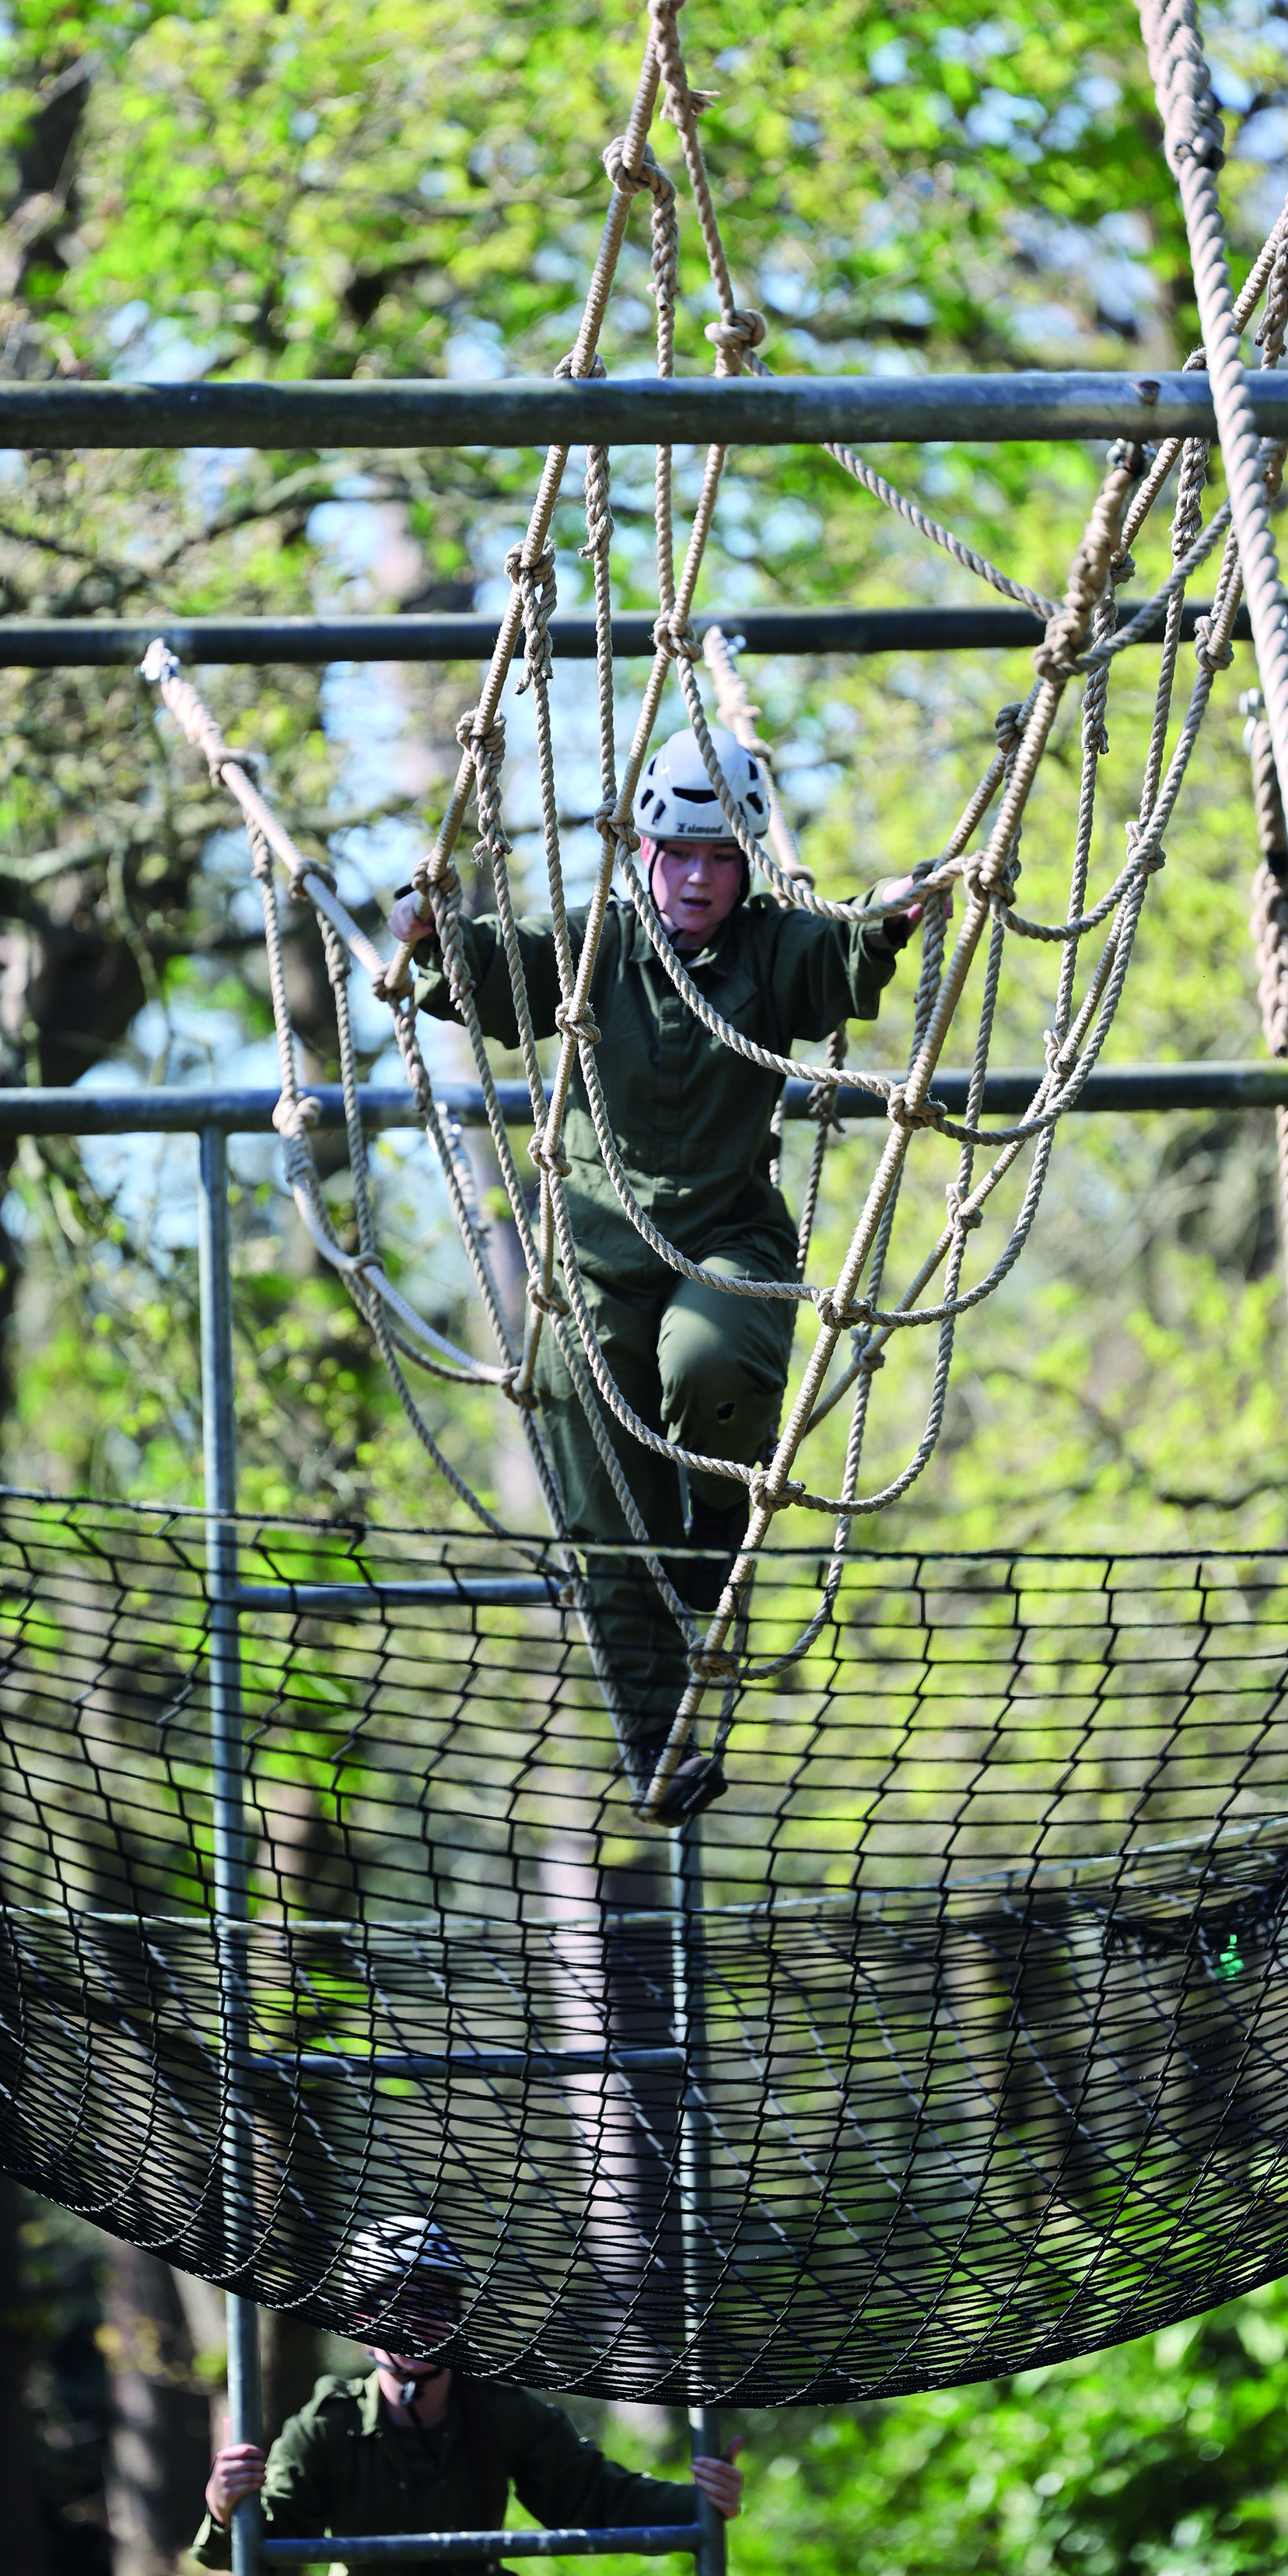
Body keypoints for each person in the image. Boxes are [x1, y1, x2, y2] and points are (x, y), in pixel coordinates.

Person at [387, 721, 945, 1820]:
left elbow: (836, 955)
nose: (696, 879)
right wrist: (424, 929)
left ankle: (716, 1530)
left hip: (726, 1241)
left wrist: (887, 920)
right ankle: (655, 1749)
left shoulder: (771, 947)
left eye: (720, 858)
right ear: (641, 849)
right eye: (677, 853)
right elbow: (493, 970)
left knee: (706, 1358)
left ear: (746, 865)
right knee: (603, 1512)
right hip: (595, 1262)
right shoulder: (594, 945)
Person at [194, 2213, 744, 2576]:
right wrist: (226, 2507)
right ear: (362, 2320)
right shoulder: (328, 2424)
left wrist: (700, 2501)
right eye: (395, 2304)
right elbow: (260, 2541)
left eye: (434, 2302)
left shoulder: (502, 2410)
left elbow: (589, 2494)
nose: (415, 2323)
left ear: (458, 2313)